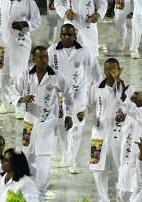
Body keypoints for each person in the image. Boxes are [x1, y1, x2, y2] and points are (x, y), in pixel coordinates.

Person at [10, 45, 74, 202]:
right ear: (34, 59)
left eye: (46, 57)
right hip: (29, 123)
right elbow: (14, 92)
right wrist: (21, 99)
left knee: (44, 158)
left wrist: (69, 114)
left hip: (48, 123)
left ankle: (41, 194)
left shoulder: (56, 76)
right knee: (28, 157)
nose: (44, 60)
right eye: (41, 57)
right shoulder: (25, 74)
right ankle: (29, 190)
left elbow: (69, 95)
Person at [48, 24, 102, 174]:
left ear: (75, 36)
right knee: (61, 125)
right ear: (60, 34)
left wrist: (99, 89)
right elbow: (47, 72)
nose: (66, 37)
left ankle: (72, 160)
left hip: (79, 93)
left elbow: (96, 70)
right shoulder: (52, 51)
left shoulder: (83, 51)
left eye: (69, 35)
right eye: (64, 34)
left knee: (77, 126)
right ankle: (66, 156)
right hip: (59, 94)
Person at [85, 58, 133, 202]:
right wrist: (82, 113)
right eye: (107, 68)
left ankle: (121, 195)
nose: (109, 71)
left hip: (118, 135)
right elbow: (87, 105)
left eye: (113, 68)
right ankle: (103, 201)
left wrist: (126, 116)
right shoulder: (96, 88)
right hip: (98, 135)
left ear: (120, 69)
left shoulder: (127, 88)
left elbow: (133, 109)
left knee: (120, 169)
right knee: (98, 170)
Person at [0, 0, 41, 116]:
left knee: (20, 76)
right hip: (1, 44)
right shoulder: (0, 1)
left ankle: (20, 107)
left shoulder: (28, 2)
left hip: (20, 44)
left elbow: (37, 19)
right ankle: (6, 102)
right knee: (2, 74)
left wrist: (25, 24)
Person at [117, 88, 142, 202]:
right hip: (126, 157)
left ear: (141, 102)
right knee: (124, 194)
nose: (130, 100)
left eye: (133, 98)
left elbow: (131, 109)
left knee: (134, 192)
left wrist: (124, 98)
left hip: (137, 156)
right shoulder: (131, 115)